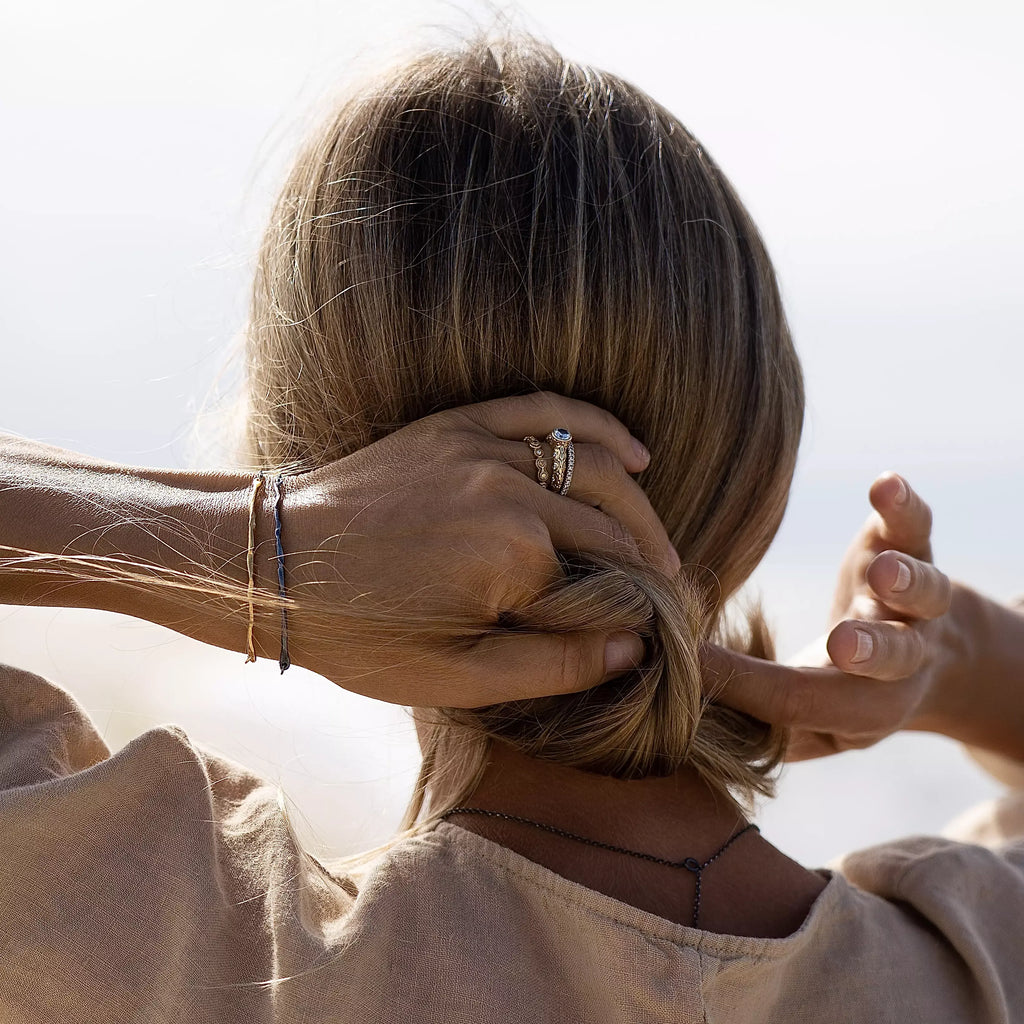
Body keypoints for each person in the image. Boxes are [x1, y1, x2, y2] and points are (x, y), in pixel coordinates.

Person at [0, 32, 1022, 1024]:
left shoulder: (161, 946)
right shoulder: (976, 966)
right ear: (766, 479)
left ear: (299, 465)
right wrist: (962, 659)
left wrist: (259, 542)